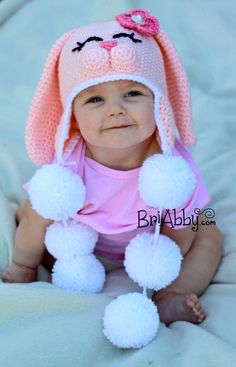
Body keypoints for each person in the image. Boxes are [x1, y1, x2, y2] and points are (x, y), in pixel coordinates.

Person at [1, 9, 223, 326]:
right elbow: (39, 219)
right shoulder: (68, 165)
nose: (116, 110)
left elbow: (180, 229)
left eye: (133, 93)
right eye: (95, 100)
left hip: (151, 241)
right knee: (31, 210)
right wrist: (23, 266)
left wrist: (162, 260)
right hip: (81, 245)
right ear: (73, 116)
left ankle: (170, 296)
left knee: (209, 234)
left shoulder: (171, 168)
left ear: (159, 102)